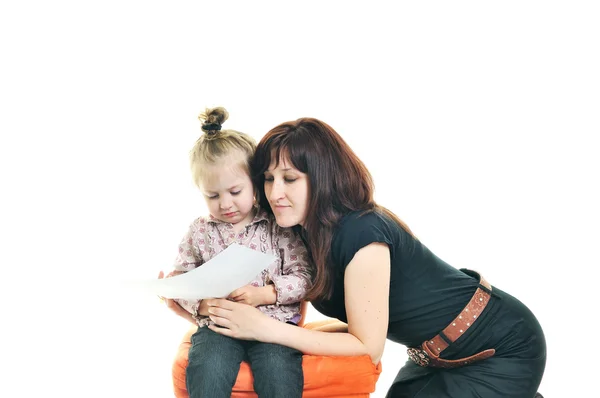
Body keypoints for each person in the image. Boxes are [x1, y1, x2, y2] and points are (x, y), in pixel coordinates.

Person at [192, 117, 547, 398]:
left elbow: (367, 346)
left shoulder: (362, 232)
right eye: (268, 179)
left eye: (290, 179)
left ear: (322, 179)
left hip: (499, 346)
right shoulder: (299, 231)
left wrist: (266, 330)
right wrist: (188, 298)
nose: (275, 192)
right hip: (435, 355)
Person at [159, 107, 311, 398]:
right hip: (220, 327)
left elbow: (305, 276)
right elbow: (181, 278)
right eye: (213, 196)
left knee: (279, 374)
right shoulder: (200, 231)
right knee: (207, 370)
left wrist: (265, 294)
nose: (225, 204)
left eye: (235, 191)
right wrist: (201, 305)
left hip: (273, 324)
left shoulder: (276, 225)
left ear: (254, 183)